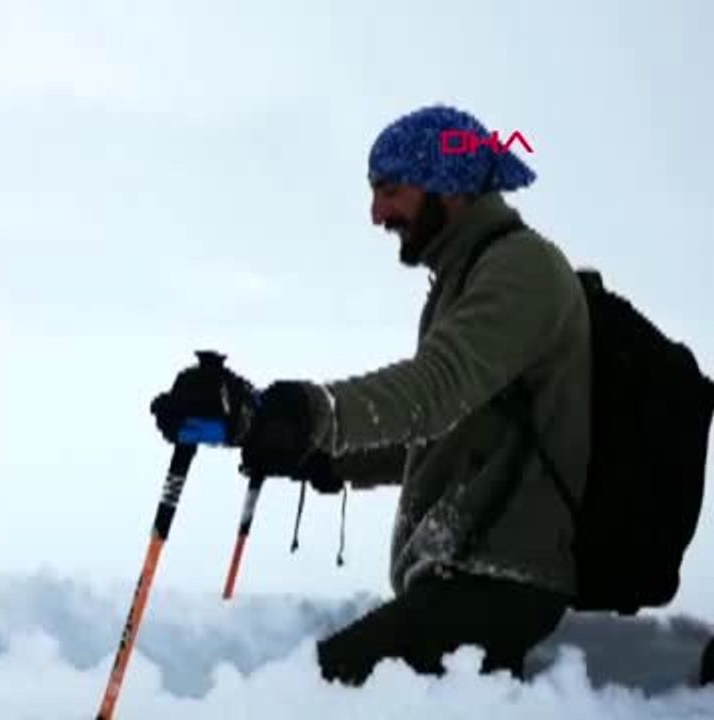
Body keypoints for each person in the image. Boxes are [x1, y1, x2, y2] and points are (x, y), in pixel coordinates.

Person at [151, 104, 590, 684]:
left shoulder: (521, 269)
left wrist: (304, 414)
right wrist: (313, 453)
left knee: (315, 691)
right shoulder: (469, 276)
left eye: (391, 189)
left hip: (500, 580)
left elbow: (432, 391)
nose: (377, 212)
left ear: (448, 183)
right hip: (466, 578)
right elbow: (445, 429)